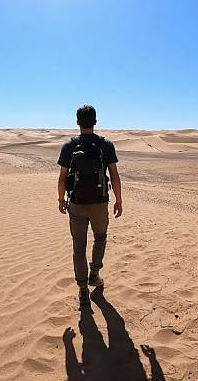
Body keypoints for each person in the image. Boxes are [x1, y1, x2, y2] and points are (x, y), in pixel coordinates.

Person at [57, 105, 123, 306]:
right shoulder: (106, 145)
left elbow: (61, 178)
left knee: (79, 246)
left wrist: (61, 200)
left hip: (76, 203)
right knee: (100, 237)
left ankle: (83, 289)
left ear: (77, 122)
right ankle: (94, 274)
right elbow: (114, 176)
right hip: (100, 203)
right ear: (95, 121)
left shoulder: (69, 146)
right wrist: (119, 200)